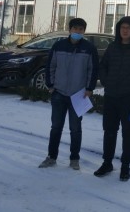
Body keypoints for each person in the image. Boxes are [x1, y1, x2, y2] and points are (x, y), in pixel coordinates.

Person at [94, 16, 130, 181]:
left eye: (128, 28)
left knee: (129, 132)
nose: (125, 30)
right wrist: (106, 80)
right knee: (109, 131)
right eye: (122, 27)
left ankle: (125, 165)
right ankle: (107, 163)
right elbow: (103, 66)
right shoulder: (112, 47)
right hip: (111, 96)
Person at [38, 17, 99, 170]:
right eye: (75, 29)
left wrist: (89, 88)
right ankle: (51, 157)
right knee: (56, 127)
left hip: (78, 95)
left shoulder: (89, 48)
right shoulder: (58, 46)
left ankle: (74, 159)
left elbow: (93, 70)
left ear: (84, 31)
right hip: (59, 93)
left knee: (75, 129)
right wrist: (50, 85)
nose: (77, 31)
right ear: (70, 30)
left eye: (80, 29)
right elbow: (50, 66)